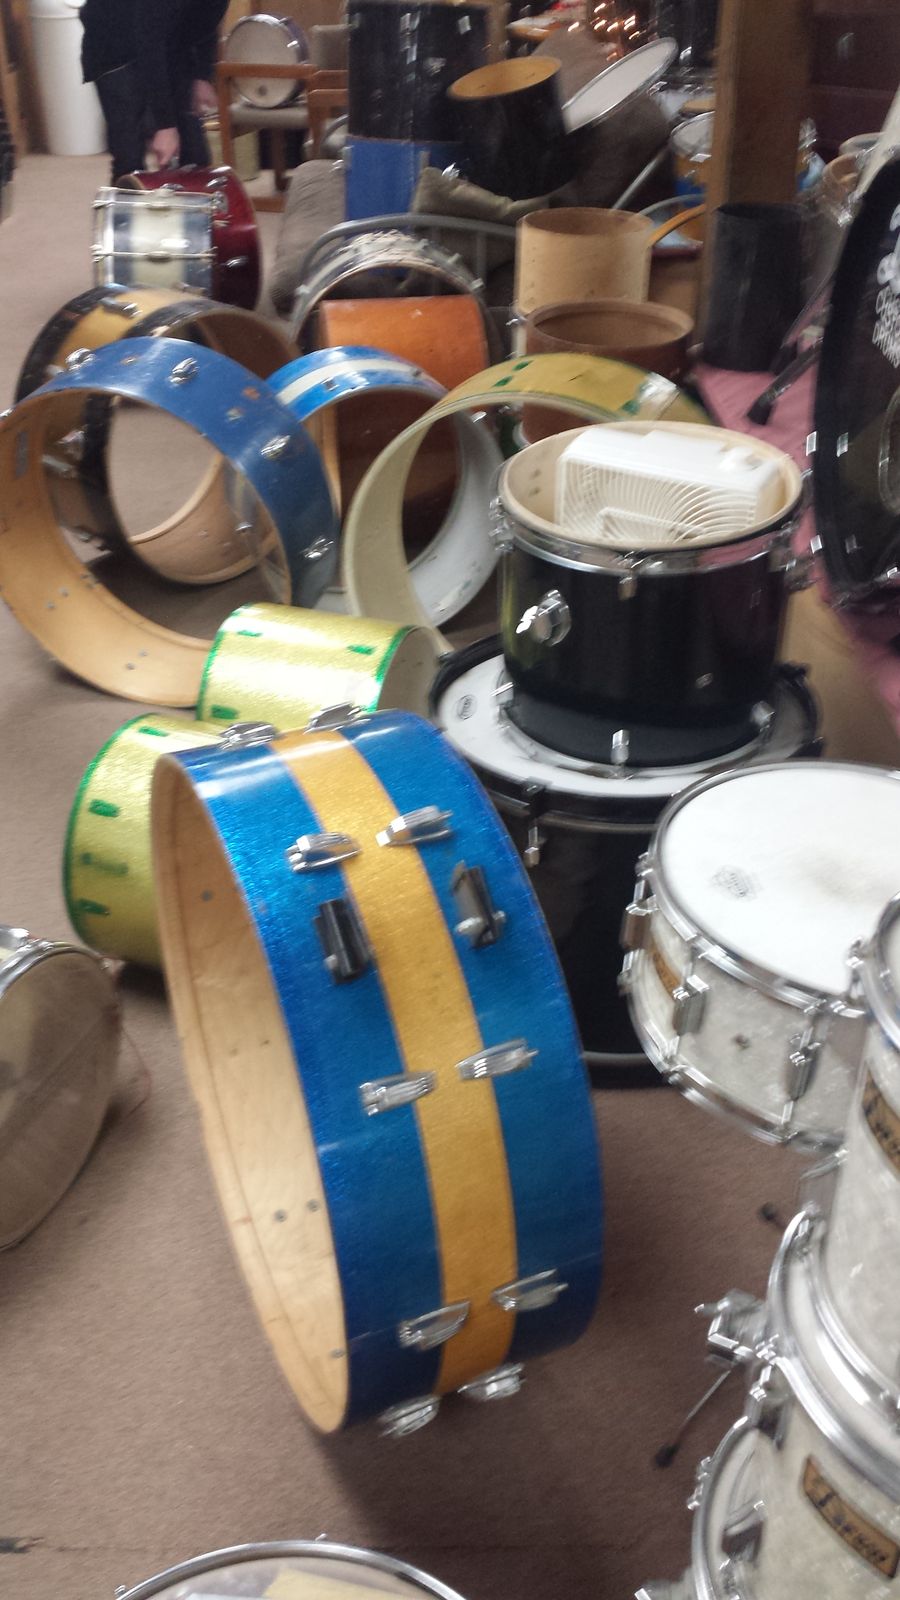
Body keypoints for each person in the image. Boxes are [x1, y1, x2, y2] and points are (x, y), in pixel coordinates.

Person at [81, 0, 228, 181]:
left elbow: (207, 23)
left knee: (195, 154)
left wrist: (202, 76)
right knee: (129, 156)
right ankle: (126, 193)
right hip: (113, 45)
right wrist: (165, 125)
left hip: (170, 43)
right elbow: (150, 45)